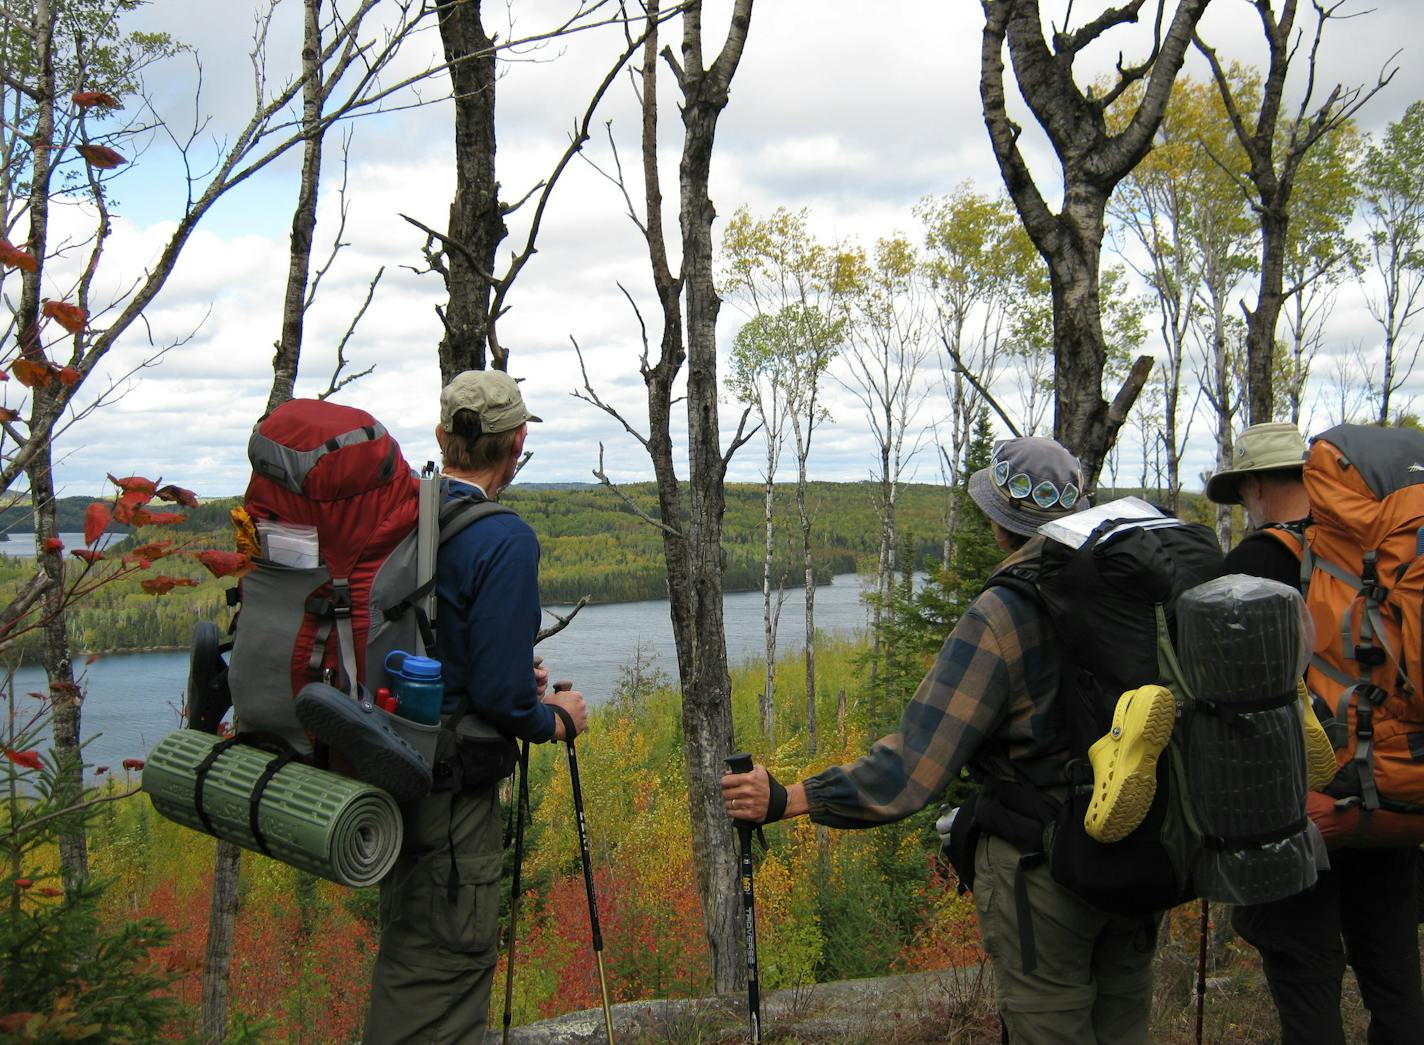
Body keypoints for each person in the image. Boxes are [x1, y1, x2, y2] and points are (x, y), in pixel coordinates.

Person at [723, 437, 1165, 1045]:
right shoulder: (1137, 594)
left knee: (1050, 1027)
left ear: (999, 523)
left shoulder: (1005, 613)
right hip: (1136, 853)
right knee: (1125, 1028)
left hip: (1045, 869)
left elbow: (912, 767)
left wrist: (791, 798)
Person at [363, 370, 588, 1045]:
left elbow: (436, 640)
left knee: (409, 953)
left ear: (442, 436)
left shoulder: (411, 514)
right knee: (444, 973)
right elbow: (498, 698)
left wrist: (513, 671)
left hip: (394, 769)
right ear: (516, 444)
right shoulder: (505, 539)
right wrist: (555, 715)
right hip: (452, 802)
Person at [1206, 421, 1424, 1045]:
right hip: (1386, 795)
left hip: (1300, 810)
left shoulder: (1258, 561)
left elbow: (1228, 704)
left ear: (1252, 486)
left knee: (1307, 982)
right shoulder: (1385, 554)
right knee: (1395, 981)